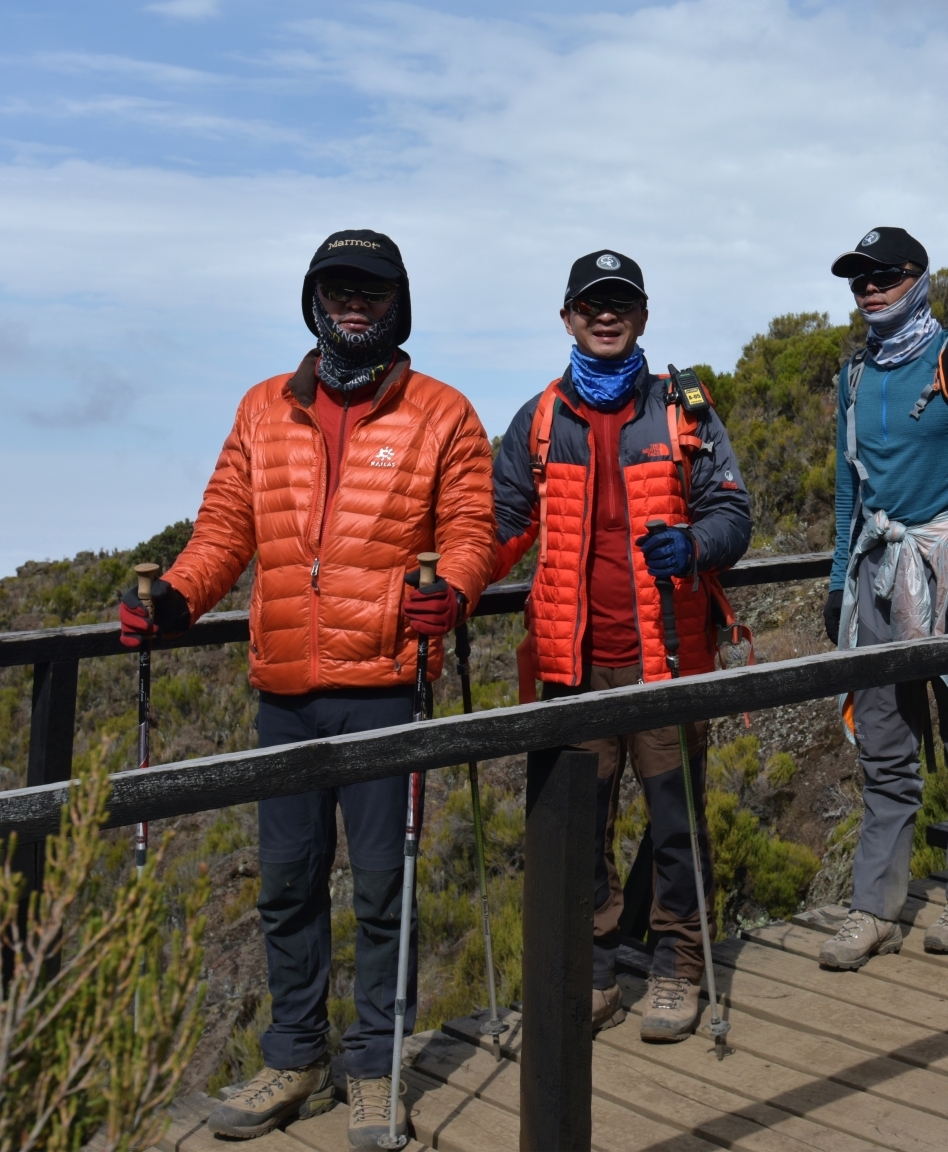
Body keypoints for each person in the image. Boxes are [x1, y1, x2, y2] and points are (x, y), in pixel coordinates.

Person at [119, 230, 497, 1146]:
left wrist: (455, 589)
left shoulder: (445, 413)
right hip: (283, 687)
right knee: (286, 885)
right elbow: (222, 532)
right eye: (338, 288)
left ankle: (373, 1067)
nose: (354, 303)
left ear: (398, 303)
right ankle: (295, 1057)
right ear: (313, 300)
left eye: (371, 290)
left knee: (381, 890)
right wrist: (176, 599)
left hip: (385, 687)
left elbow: (474, 529)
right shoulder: (261, 410)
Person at [491, 250, 753, 1042]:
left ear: (642, 316)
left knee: (675, 826)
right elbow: (500, 528)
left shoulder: (685, 409)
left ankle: (678, 967)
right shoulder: (539, 420)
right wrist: (449, 582)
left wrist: (697, 545)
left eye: (621, 305)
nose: (606, 317)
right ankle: (599, 968)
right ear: (568, 317)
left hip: (668, 659)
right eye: (591, 305)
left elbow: (735, 515)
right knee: (581, 835)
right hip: (573, 668)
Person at [817, 226, 948, 971]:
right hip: (878, 575)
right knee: (885, 747)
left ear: (918, 279)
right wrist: (839, 579)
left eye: (884, 276)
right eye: (858, 280)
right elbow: (850, 488)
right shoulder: (854, 377)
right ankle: (874, 907)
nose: (870, 289)